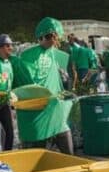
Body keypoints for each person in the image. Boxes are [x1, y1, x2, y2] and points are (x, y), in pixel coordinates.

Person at [12, 17, 74, 154]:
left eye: (56, 37)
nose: (55, 41)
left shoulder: (54, 54)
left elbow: (64, 76)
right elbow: (24, 83)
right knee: (38, 153)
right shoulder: (28, 56)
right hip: (37, 109)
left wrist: (66, 85)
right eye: (51, 37)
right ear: (43, 37)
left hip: (55, 108)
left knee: (66, 145)